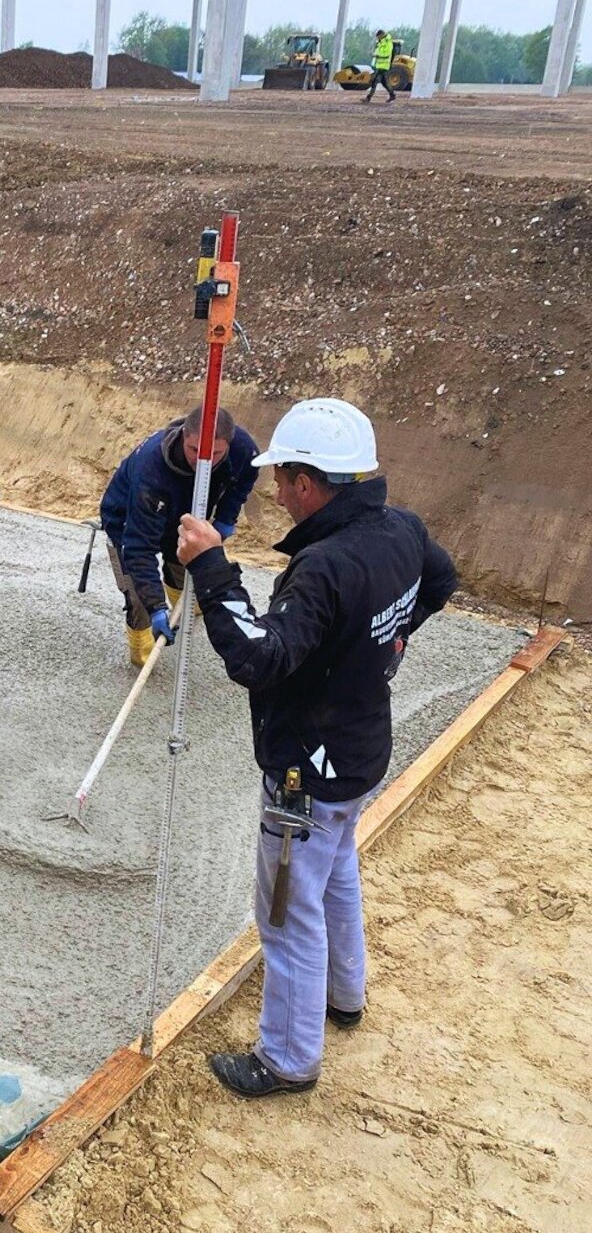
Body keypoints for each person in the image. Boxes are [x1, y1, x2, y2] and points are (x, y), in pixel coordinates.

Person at [174, 397, 456, 1098]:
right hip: (362, 752)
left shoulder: (324, 566)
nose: (274, 490)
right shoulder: (402, 529)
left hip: (310, 771)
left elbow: (258, 657)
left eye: (282, 479)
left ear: (308, 482)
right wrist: (378, 646)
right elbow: (441, 582)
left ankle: (288, 1059)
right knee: (334, 874)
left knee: (287, 913)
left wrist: (211, 569)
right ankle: (343, 993)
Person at [99, 406, 258, 666]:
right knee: (141, 598)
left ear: (228, 445)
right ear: (184, 435)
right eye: (194, 450)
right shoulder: (151, 471)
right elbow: (139, 548)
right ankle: (143, 654)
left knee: (188, 564)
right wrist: (156, 607)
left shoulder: (243, 449)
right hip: (127, 520)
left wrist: (227, 518)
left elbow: (244, 479)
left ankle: (185, 605)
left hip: (184, 515)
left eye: (215, 454)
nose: (203, 460)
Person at [365, 30, 396, 102]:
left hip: (384, 66)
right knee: (384, 83)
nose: (377, 38)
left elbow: (387, 54)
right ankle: (392, 95)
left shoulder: (388, 43)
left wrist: (378, 55)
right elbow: (378, 51)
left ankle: (368, 97)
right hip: (379, 65)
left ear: (381, 35)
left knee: (374, 81)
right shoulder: (380, 43)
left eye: (378, 36)